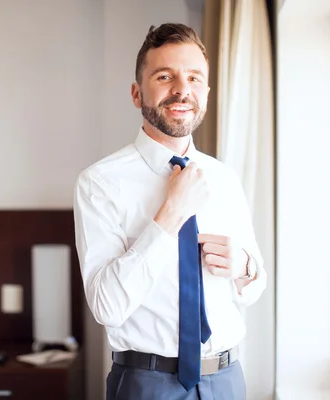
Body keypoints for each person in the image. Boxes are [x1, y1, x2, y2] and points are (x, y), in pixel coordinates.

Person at [73, 23, 266, 400]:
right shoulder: (99, 183)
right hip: (147, 383)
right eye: (165, 76)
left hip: (226, 380)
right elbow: (106, 307)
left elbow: (254, 287)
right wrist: (170, 214)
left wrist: (244, 266)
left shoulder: (224, 178)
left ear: (206, 93)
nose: (182, 89)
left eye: (194, 78)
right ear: (136, 92)